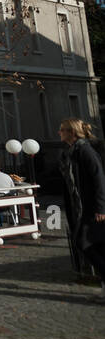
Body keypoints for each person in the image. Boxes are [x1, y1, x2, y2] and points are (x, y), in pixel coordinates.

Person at [59, 118, 105, 291]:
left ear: (71, 132)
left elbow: (99, 179)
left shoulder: (85, 150)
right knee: (94, 244)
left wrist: (101, 208)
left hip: (91, 207)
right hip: (80, 206)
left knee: (84, 242)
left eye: (62, 130)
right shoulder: (71, 151)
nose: (59, 133)